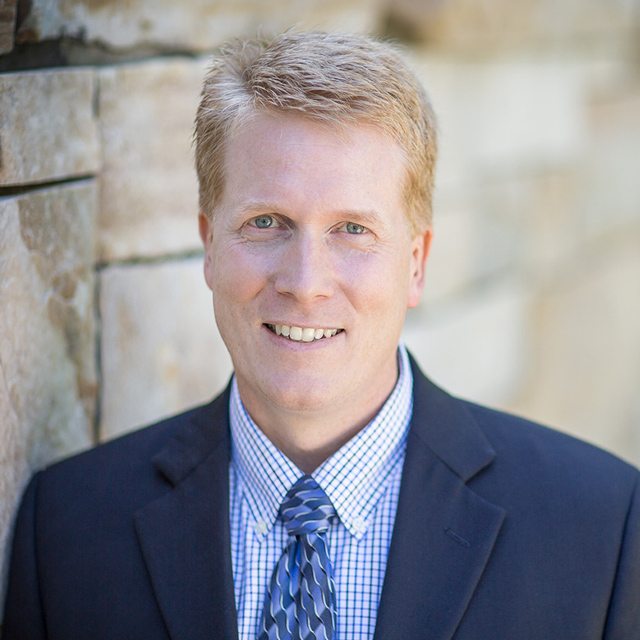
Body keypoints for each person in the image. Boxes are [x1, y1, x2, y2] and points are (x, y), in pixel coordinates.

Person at [3, 31, 639, 640]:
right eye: (267, 221)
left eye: (353, 230)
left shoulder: (600, 528)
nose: (306, 283)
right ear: (208, 245)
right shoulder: (67, 527)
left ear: (416, 263)